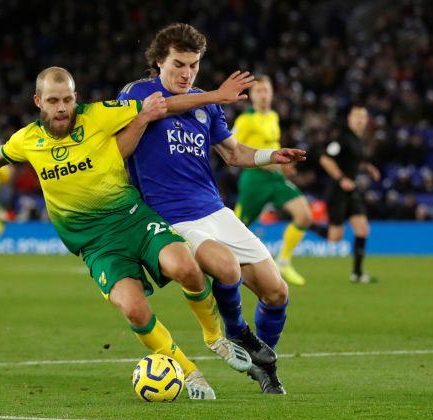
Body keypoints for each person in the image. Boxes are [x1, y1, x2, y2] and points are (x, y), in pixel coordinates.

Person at [0, 66, 257, 400]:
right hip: (95, 243)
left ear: (76, 97)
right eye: (53, 101)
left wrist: (214, 96)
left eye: (67, 100)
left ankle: (215, 338)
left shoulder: (100, 114)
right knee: (133, 308)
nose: (62, 108)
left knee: (185, 266)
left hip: (133, 218)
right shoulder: (28, 139)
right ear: (37, 102)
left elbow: (162, 104)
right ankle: (188, 371)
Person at [117, 23, 305, 394]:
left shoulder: (207, 105)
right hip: (171, 217)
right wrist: (216, 95)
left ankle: (263, 365)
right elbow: (161, 109)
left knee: (277, 292)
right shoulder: (137, 93)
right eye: (178, 65)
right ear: (158, 62)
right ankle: (235, 330)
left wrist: (270, 155)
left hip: (215, 210)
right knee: (224, 266)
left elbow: (234, 153)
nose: (187, 74)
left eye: (194, 65)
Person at [232, 76, 314, 287]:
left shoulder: (273, 116)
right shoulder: (245, 120)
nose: (263, 95)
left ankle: (284, 260)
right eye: (259, 91)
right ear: (252, 96)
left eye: (266, 90)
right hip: (254, 179)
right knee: (236, 228)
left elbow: (273, 145)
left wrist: (284, 165)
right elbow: (230, 146)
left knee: (304, 215)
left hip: (276, 178)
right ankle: (220, 268)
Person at [318, 105, 380, 283]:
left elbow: (353, 161)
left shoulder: (358, 140)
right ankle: (308, 224)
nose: (360, 120)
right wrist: (341, 178)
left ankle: (358, 274)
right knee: (334, 237)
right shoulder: (342, 138)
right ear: (349, 119)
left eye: (363, 116)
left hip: (351, 190)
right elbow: (325, 159)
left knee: (362, 228)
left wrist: (368, 167)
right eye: (357, 116)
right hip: (337, 191)